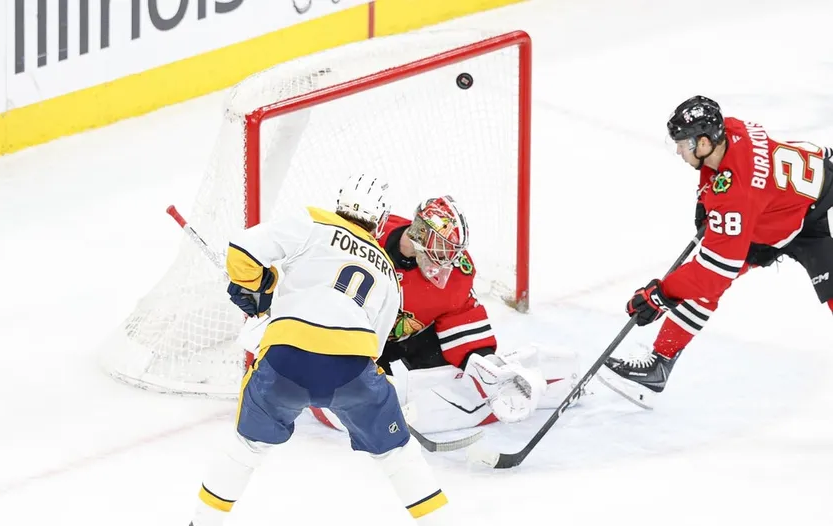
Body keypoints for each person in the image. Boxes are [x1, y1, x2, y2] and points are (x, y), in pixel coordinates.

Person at [179, 174, 463, 526]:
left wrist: (257, 287)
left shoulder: (312, 221)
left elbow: (242, 251)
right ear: (380, 222)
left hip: (286, 362)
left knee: (246, 447)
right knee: (398, 455)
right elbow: (375, 345)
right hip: (352, 373)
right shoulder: (387, 271)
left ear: (339, 203)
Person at [598, 95, 833, 405]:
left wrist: (660, 295)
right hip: (785, 202)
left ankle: (660, 363)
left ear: (705, 142)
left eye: (683, 144)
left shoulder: (736, 196)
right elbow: (724, 172)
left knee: (711, 275)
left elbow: (713, 274)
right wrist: (705, 198)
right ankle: (660, 364)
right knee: (707, 276)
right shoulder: (730, 131)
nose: (679, 151)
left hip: (806, 208)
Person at [309, 195, 580, 435]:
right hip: (360, 335)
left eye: (452, 250)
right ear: (419, 233)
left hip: (415, 335)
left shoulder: (455, 272)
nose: (448, 259)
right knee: (354, 384)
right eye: (441, 247)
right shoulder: (362, 240)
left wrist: (487, 367)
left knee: (449, 380)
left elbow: (461, 316)